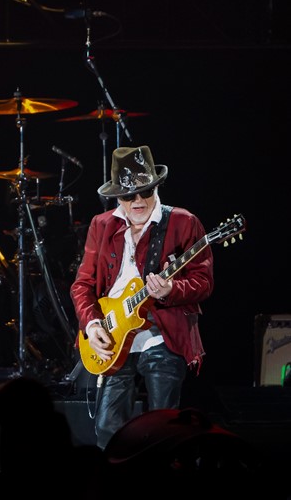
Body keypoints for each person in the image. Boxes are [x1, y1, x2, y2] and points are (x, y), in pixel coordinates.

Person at [69, 145, 212, 450]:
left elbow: (203, 281)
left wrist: (171, 290)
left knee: (163, 427)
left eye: (145, 192)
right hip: (114, 335)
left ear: (156, 187)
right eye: (128, 195)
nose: (137, 201)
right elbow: (82, 285)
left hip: (162, 334)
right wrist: (92, 325)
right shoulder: (101, 225)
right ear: (117, 197)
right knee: (107, 427)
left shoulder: (183, 222)